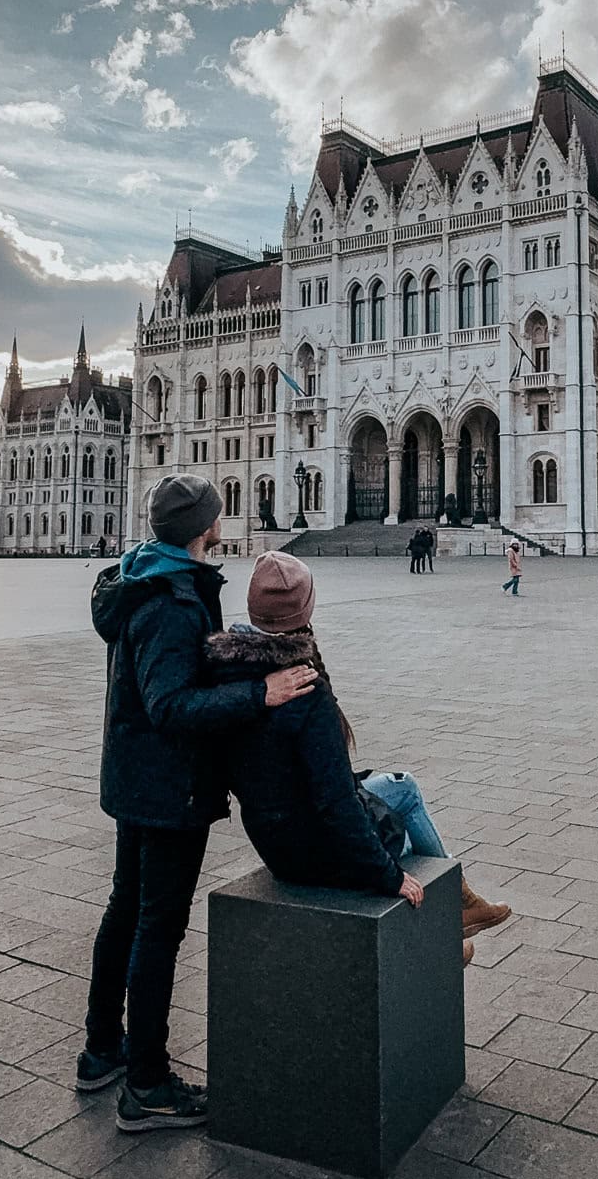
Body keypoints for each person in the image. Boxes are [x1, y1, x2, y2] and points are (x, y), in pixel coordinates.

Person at [80, 476, 317, 1133]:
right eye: (215, 515)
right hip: (167, 786)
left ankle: (103, 1049)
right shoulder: (171, 597)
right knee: (157, 925)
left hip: (140, 778)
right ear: (201, 527)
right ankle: (148, 1085)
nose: (220, 522)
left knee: (127, 909)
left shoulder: (146, 577)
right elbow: (169, 705)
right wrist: (259, 694)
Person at [206, 552, 511, 960]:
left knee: (399, 785)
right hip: (313, 846)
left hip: (272, 834)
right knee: (401, 805)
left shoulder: (226, 674)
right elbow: (335, 802)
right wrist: (389, 877)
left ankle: (457, 903)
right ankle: (445, 915)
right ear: (306, 609)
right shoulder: (302, 688)